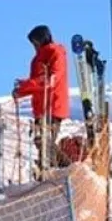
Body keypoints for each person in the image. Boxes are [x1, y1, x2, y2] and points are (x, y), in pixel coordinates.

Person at [12, 25, 70, 175]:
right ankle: (63, 168)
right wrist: (22, 90)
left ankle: (55, 170)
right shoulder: (37, 59)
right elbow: (36, 82)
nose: (34, 46)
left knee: (43, 140)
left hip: (53, 105)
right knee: (42, 141)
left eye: (36, 42)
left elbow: (50, 80)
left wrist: (24, 87)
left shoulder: (56, 53)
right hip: (40, 108)